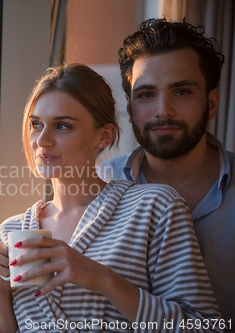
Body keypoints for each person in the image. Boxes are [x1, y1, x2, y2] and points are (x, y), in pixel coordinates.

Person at [0, 64, 222, 332]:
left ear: (104, 136)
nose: (42, 140)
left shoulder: (154, 208)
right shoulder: (10, 232)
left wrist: (104, 280)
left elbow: (204, 327)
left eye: (62, 126)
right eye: (36, 124)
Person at [99, 18, 235, 324]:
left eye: (182, 92)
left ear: (211, 103)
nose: (164, 110)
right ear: (130, 108)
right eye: (146, 94)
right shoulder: (97, 185)